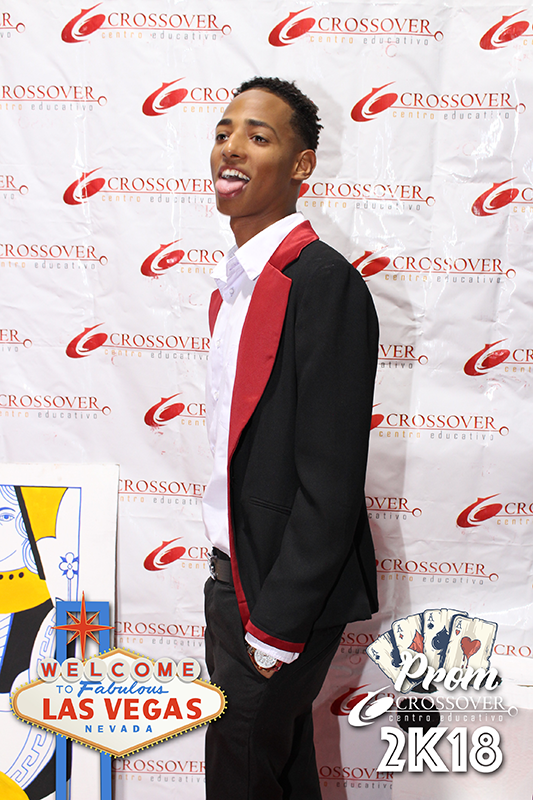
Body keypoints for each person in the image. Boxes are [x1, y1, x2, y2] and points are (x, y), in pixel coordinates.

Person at [202, 76, 379, 800]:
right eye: (223, 132)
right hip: (234, 576)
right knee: (274, 769)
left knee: (242, 775)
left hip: (277, 595)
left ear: (302, 165)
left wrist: (275, 622)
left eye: (258, 136)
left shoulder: (322, 282)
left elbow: (330, 478)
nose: (231, 148)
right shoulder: (237, 285)